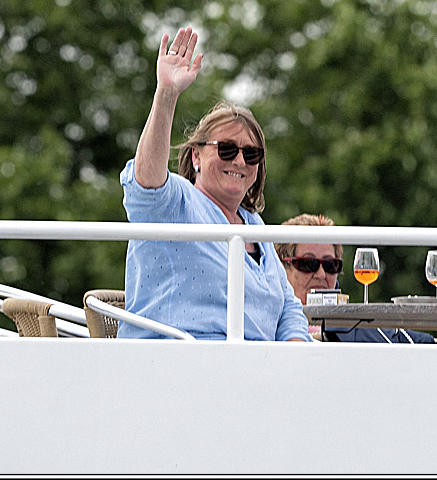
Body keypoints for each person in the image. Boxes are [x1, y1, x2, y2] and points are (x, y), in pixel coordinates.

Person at [118, 26, 309, 341]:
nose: (239, 161)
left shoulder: (254, 225)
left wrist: (295, 349)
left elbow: (288, 307)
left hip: (254, 372)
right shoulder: (177, 204)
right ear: (196, 157)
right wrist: (166, 94)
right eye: (227, 149)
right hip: (180, 366)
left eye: (251, 154)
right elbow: (146, 187)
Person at [275, 213, 434, 344]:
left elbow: (417, 343)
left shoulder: (356, 326)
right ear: (282, 268)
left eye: (331, 265)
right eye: (309, 263)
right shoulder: (265, 324)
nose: (321, 274)